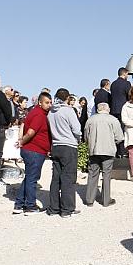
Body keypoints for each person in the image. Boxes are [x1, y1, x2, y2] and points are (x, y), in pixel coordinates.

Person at [13, 92, 52, 214]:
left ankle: (19, 204)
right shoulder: (39, 114)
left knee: (29, 177)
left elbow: (24, 124)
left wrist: (21, 141)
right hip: (34, 150)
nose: (49, 105)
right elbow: (30, 132)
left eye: (50, 103)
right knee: (32, 179)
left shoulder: (35, 112)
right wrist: (21, 142)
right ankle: (30, 205)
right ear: (40, 102)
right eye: (47, 102)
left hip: (32, 150)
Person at [47, 88, 82, 218]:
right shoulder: (68, 110)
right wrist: (77, 139)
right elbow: (77, 130)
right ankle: (67, 209)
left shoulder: (51, 112)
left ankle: (54, 207)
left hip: (56, 145)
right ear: (67, 98)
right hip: (69, 146)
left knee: (56, 178)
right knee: (68, 177)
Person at [85, 102, 123, 207]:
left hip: (94, 150)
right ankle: (106, 200)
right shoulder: (113, 120)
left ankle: (89, 200)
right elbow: (119, 137)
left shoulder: (90, 120)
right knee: (107, 175)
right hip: (108, 150)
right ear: (108, 109)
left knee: (92, 174)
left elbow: (86, 136)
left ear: (98, 109)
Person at [110, 69, 131, 157]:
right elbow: (129, 95)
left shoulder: (113, 84)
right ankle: (123, 151)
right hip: (123, 110)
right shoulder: (127, 83)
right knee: (123, 130)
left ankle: (117, 151)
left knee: (115, 131)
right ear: (125, 74)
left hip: (114, 110)